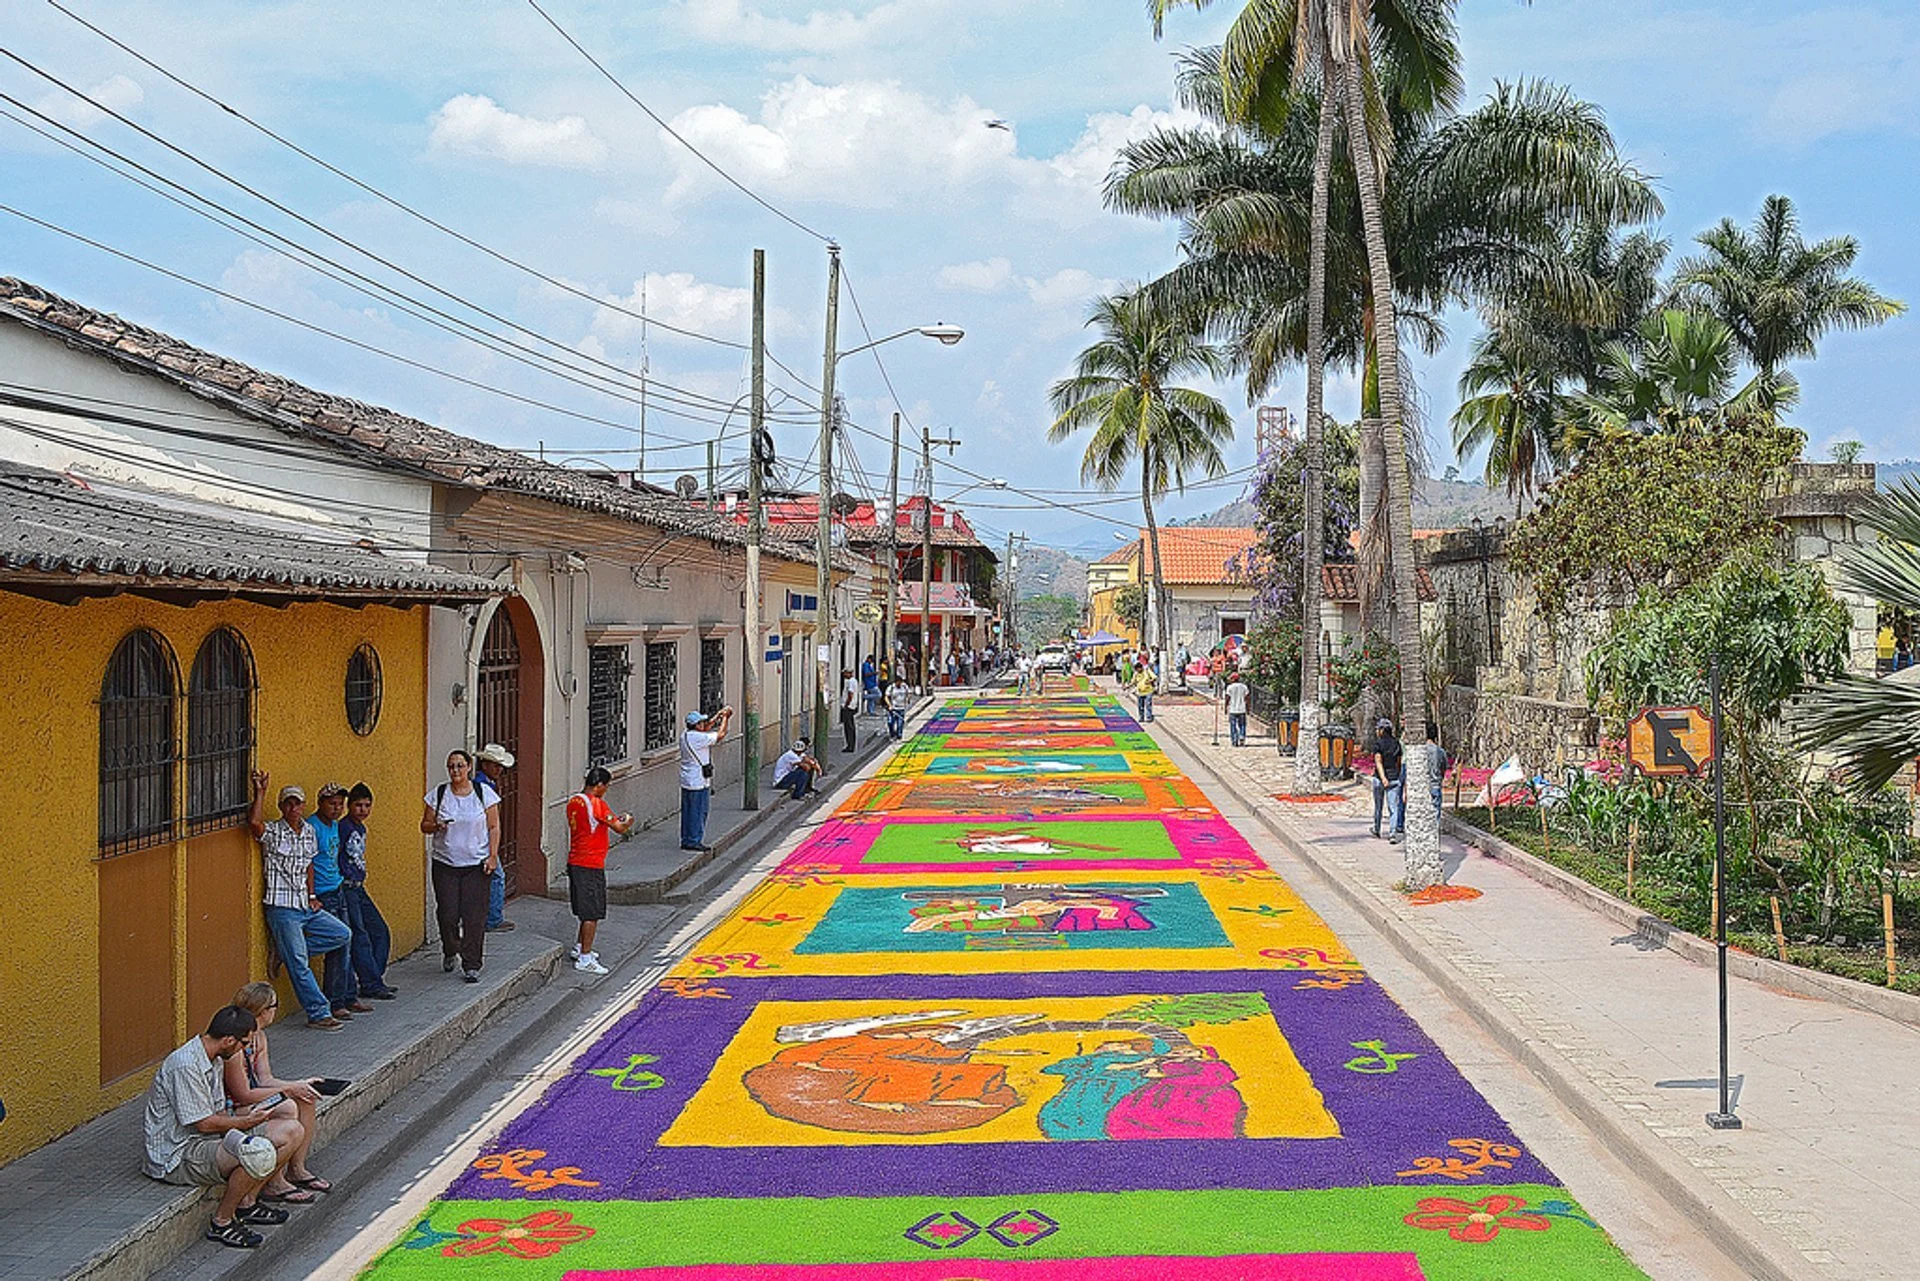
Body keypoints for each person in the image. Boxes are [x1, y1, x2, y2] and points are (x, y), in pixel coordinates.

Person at [143, 1004, 301, 1250]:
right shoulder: (184, 1065)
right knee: (256, 1153)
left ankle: (247, 1202)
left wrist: (246, 1123)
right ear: (229, 1040)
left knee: (292, 1131)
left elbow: (217, 1114)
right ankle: (222, 1222)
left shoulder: (214, 1057)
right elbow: (204, 1123)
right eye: (244, 1043)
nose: (246, 1049)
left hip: (209, 1139)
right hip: (178, 1155)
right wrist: (245, 1124)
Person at [248, 775, 351, 1030]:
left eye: (297, 804)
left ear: (304, 805)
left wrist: (312, 896)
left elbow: (309, 867)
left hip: (305, 904)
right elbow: (254, 823)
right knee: (300, 964)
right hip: (282, 907)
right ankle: (318, 1012)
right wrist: (260, 792)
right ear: (282, 807)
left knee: (342, 934)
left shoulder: (308, 831)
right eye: (288, 804)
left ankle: (284, 952)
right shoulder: (274, 831)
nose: (293, 809)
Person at [224, 982, 331, 1205]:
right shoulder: (236, 1043)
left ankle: (297, 1170)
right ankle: (276, 1181)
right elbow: (242, 1094)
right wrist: (288, 1090)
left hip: (253, 1096)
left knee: (305, 1097)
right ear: (263, 1011)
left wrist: (299, 1084)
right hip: (234, 1107)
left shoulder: (259, 1037)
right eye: (274, 1006)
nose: (276, 1010)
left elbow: (265, 1079)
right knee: (288, 1106)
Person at [421, 749, 500, 983]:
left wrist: (492, 856)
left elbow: (494, 827)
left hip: (476, 864)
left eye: (459, 766)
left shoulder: (484, 794)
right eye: (451, 766)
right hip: (445, 864)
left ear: (468, 768)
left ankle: (472, 964)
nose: (455, 771)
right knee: (448, 913)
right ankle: (450, 948)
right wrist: (436, 825)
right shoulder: (439, 794)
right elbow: (424, 825)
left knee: (474, 915)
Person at [306, 783, 369, 1022]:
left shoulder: (334, 825)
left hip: (337, 886)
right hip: (323, 893)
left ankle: (348, 995)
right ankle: (335, 1001)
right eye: (332, 804)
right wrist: (311, 895)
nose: (337, 809)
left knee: (348, 941)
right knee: (338, 946)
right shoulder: (312, 827)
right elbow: (307, 862)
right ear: (320, 802)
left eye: (340, 804)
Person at [565, 766, 633, 975]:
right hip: (590, 863)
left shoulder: (573, 801)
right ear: (600, 785)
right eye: (606, 786)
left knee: (584, 909)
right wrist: (628, 819)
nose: (606, 790)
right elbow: (620, 827)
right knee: (592, 913)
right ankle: (585, 957)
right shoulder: (597, 804)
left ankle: (579, 947)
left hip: (575, 859)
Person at [336, 784, 396, 1001]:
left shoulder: (361, 829)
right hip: (346, 887)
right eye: (358, 805)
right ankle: (371, 983)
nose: (363, 810)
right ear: (349, 806)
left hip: (359, 887)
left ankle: (373, 977)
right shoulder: (343, 827)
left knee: (380, 931)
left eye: (367, 805)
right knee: (359, 935)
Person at [475, 744, 517, 934]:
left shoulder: (486, 784)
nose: (499, 770)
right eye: (495, 765)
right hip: (482, 839)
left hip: (482, 838)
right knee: (497, 877)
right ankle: (493, 919)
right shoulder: (483, 786)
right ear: (485, 765)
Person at [679, 705, 734, 852]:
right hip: (697, 780)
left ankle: (687, 838)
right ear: (696, 725)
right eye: (701, 723)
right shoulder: (697, 738)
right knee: (698, 811)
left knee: (688, 811)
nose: (704, 724)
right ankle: (694, 840)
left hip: (688, 779)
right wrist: (725, 718)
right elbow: (720, 735)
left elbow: (706, 728)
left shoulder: (685, 734)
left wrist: (717, 715)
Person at [1368, 718, 1406, 843]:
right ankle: (1392, 833)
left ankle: (1377, 828)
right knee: (1393, 807)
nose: (1377, 731)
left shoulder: (1378, 744)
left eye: (1378, 729)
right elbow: (1399, 762)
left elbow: (1378, 762)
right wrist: (1396, 775)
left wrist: (1383, 777)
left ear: (1382, 730)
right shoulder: (1396, 743)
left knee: (1378, 806)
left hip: (1380, 779)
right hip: (1394, 778)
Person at [1424, 720, 1452, 822]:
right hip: (1435, 786)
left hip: (1422, 787)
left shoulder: (1419, 752)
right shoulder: (1440, 751)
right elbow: (1443, 769)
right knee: (1435, 815)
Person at [1224, 671, 1250, 747]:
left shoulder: (1230, 687)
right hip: (1242, 709)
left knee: (1233, 725)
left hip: (1233, 709)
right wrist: (1248, 708)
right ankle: (1242, 736)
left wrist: (1226, 707)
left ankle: (1234, 740)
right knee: (1242, 725)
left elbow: (1227, 698)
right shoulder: (1244, 687)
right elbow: (1247, 698)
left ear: (1233, 679)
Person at [839, 667, 859, 754]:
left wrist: (846, 704)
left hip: (849, 707)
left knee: (849, 727)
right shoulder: (853, 681)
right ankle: (851, 745)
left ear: (849, 673)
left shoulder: (851, 682)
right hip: (852, 706)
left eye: (845, 673)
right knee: (850, 726)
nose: (843, 675)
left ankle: (850, 746)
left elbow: (850, 694)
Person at [885, 675, 911, 740]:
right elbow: (886, 697)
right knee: (890, 722)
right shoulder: (891, 687)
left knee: (900, 724)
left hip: (901, 708)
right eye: (898, 682)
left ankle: (899, 736)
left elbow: (909, 693)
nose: (899, 684)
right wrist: (890, 705)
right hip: (893, 709)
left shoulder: (904, 686)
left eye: (900, 682)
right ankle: (892, 734)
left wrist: (908, 699)